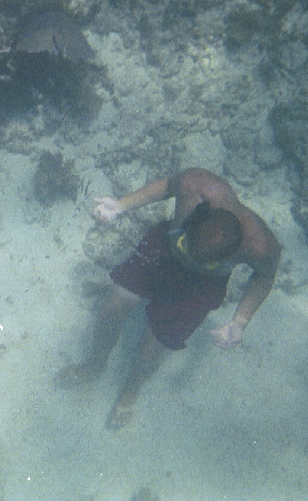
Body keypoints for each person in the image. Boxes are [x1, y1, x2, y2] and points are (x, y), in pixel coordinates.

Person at [57, 168, 281, 429]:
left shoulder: (260, 246)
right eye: (188, 245)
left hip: (202, 283)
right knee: (112, 305)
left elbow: (264, 278)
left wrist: (239, 321)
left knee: (153, 346)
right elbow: (166, 186)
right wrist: (120, 205)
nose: (190, 257)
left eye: (202, 260)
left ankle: (131, 390)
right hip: (164, 250)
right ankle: (94, 365)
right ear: (195, 217)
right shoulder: (194, 187)